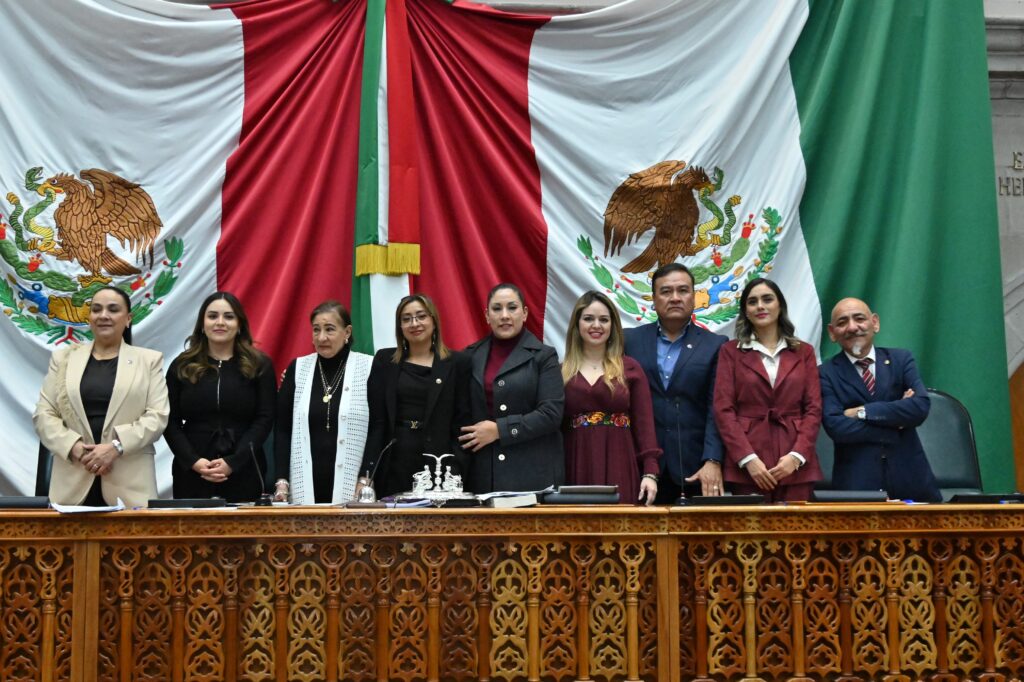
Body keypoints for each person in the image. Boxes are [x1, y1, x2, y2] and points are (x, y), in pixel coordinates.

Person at [33, 286, 168, 508]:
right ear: (89, 318)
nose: (103, 315)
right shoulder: (63, 359)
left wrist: (116, 447)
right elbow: (44, 414)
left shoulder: (149, 361)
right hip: (73, 480)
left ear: (128, 319)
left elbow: (157, 416)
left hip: (129, 483)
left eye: (113, 310)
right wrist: (75, 447)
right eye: (96, 309)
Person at [818, 298, 941, 502]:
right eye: (842, 322)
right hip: (856, 485)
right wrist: (897, 422)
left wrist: (862, 412)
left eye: (859, 318)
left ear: (874, 323)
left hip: (911, 480)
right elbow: (836, 427)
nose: (852, 327)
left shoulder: (901, 360)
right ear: (832, 332)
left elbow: (919, 407)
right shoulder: (825, 373)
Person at [624, 263, 728, 502]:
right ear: (653, 299)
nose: (675, 298)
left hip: (696, 468)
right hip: (640, 465)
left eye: (683, 290)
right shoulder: (628, 340)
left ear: (694, 296)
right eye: (666, 291)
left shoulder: (715, 345)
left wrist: (713, 459)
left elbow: (717, 409)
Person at [713, 278, 822, 502]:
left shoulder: (804, 352)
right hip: (749, 463)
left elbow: (813, 409)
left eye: (767, 299)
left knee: (798, 524)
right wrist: (747, 459)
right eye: (752, 302)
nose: (760, 306)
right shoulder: (730, 352)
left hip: (795, 460)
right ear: (745, 311)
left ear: (780, 305)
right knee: (750, 525)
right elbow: (723, 410)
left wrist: (796, 456)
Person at [164, 292, 275, 502]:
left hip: (245, 467)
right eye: (213, 316)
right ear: (202, 324)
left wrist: (234, 462)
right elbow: (169, 421)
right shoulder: (182, 365)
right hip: (193, 470)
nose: (220, 322)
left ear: (239, 325)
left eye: (229, 317)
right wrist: (193, 461)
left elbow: (265, 418)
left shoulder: (260, 365)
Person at [361, 294, 472, 497]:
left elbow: (462, 422)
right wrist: (366, 476)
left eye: (421, 316)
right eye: (406, 319)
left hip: (440, 468)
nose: (414, 323)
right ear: (400, 327)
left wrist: (456, 470)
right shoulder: (385, 361)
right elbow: (377, 424)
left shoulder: (458, 363)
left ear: (434, 321)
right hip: (394, 463)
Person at [460, 283, 564, 492]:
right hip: (483, 474)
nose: (504, 315)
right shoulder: (469, 356)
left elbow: (551, 414)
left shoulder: (544, 356)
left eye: (512, 308)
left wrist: (500, 430)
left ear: (524, 313)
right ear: (487, 315)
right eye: (497, 309)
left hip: (532, 472)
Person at [561, 291, 661, 505]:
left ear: (613, 326)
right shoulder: (562, 372)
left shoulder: (630, 368)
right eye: (588, 319)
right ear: (577, 324)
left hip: (619, 457)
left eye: (604, 320)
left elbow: (644, 425)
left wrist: (650, 472)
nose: (596, 325)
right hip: (577, 459)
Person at [274, 301, 373, 504]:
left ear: (347, 332)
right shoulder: (297, 368)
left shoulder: (368, 367)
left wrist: (365, 479)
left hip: (354, 487)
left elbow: (378, 428)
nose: (321, 337)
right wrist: (282, 481)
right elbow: (282, 430)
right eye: (316, 330)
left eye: (329, 329)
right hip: (303, 485)